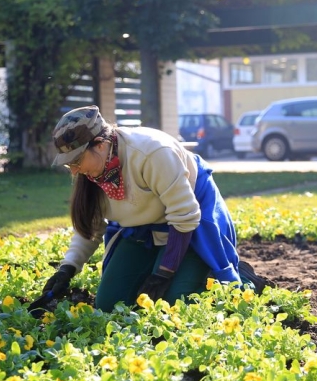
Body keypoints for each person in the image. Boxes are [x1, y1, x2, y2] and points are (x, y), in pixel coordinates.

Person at [42, 105, 267, 312]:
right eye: (69, 163)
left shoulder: (152, 153)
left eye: (76, 160)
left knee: (176, 303)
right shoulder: (92, 173)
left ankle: (244, 280)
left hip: (188, 227)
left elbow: (185, 216)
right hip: (142, 230)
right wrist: (67, 269)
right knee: (108, 304)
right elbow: (89, 227)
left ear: (100, 144)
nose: (74, 170)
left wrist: (163, 273)